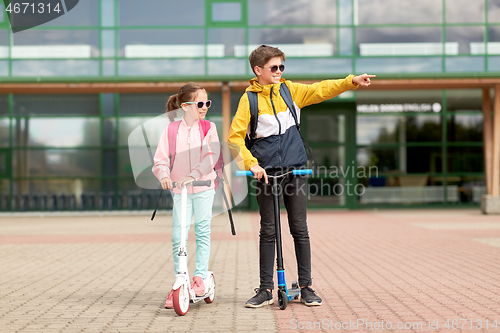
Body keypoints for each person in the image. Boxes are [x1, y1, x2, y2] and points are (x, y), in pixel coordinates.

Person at [228, 45, 375, 308]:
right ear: (258, 70)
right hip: (267, 174)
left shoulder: (290, 90)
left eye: (282, 67)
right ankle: (265, 289)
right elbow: (235, 138)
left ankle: (306, 286)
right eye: (274, 67)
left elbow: (321, 89)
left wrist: (350, 81)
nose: (279, 71)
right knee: (268, 231)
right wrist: (252, 164)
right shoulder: (248, 99)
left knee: (300, 228)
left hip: (296, 170)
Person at [152, 82, 219, 309]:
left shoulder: (209, 127)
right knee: (177, 236)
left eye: (207, 103)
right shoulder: (171, 130)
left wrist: (193, 175)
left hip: (203, 188)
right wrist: (163, 175)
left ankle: (199, 277)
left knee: (202, 232)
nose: (205, 107)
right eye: (201, 103)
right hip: (179, 191)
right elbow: (160, 158)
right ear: (185, 106)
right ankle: (180, 279)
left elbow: (212, 156)